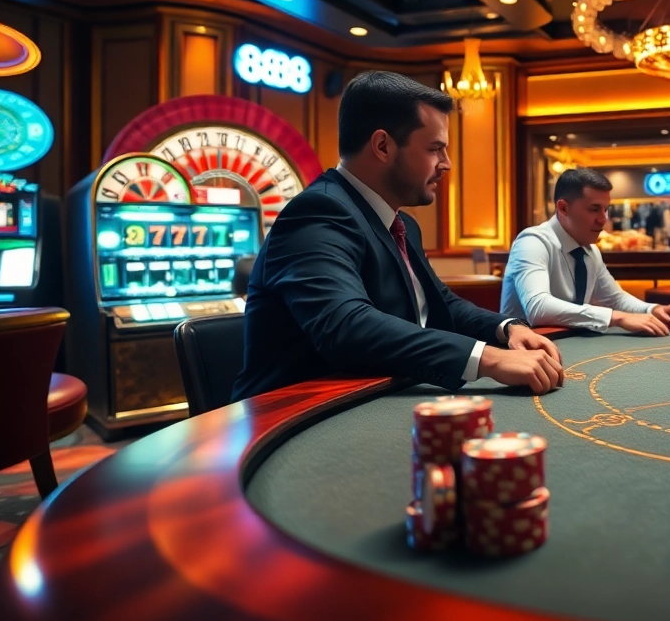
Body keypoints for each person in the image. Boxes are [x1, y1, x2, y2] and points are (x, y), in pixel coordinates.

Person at [232, 71, 564, 401]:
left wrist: (507, 329)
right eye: (435, 149)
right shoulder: (318, 212)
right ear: (382, 146)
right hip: (291, 418)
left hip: (373, 396)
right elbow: (347, 327)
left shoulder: (402, 224)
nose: (446, 164)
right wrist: (488, 359)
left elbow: (441, 303)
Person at [500, 168, 670, 335]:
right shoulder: (533, 242)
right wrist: (616, 318)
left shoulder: (590, 251)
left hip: (568, 348)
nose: (603, 219)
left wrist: (652, 310)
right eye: (594, 209)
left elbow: (615, 298)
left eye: (605, 210)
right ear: (563, 208)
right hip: (522, 355)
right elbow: (538, 308)